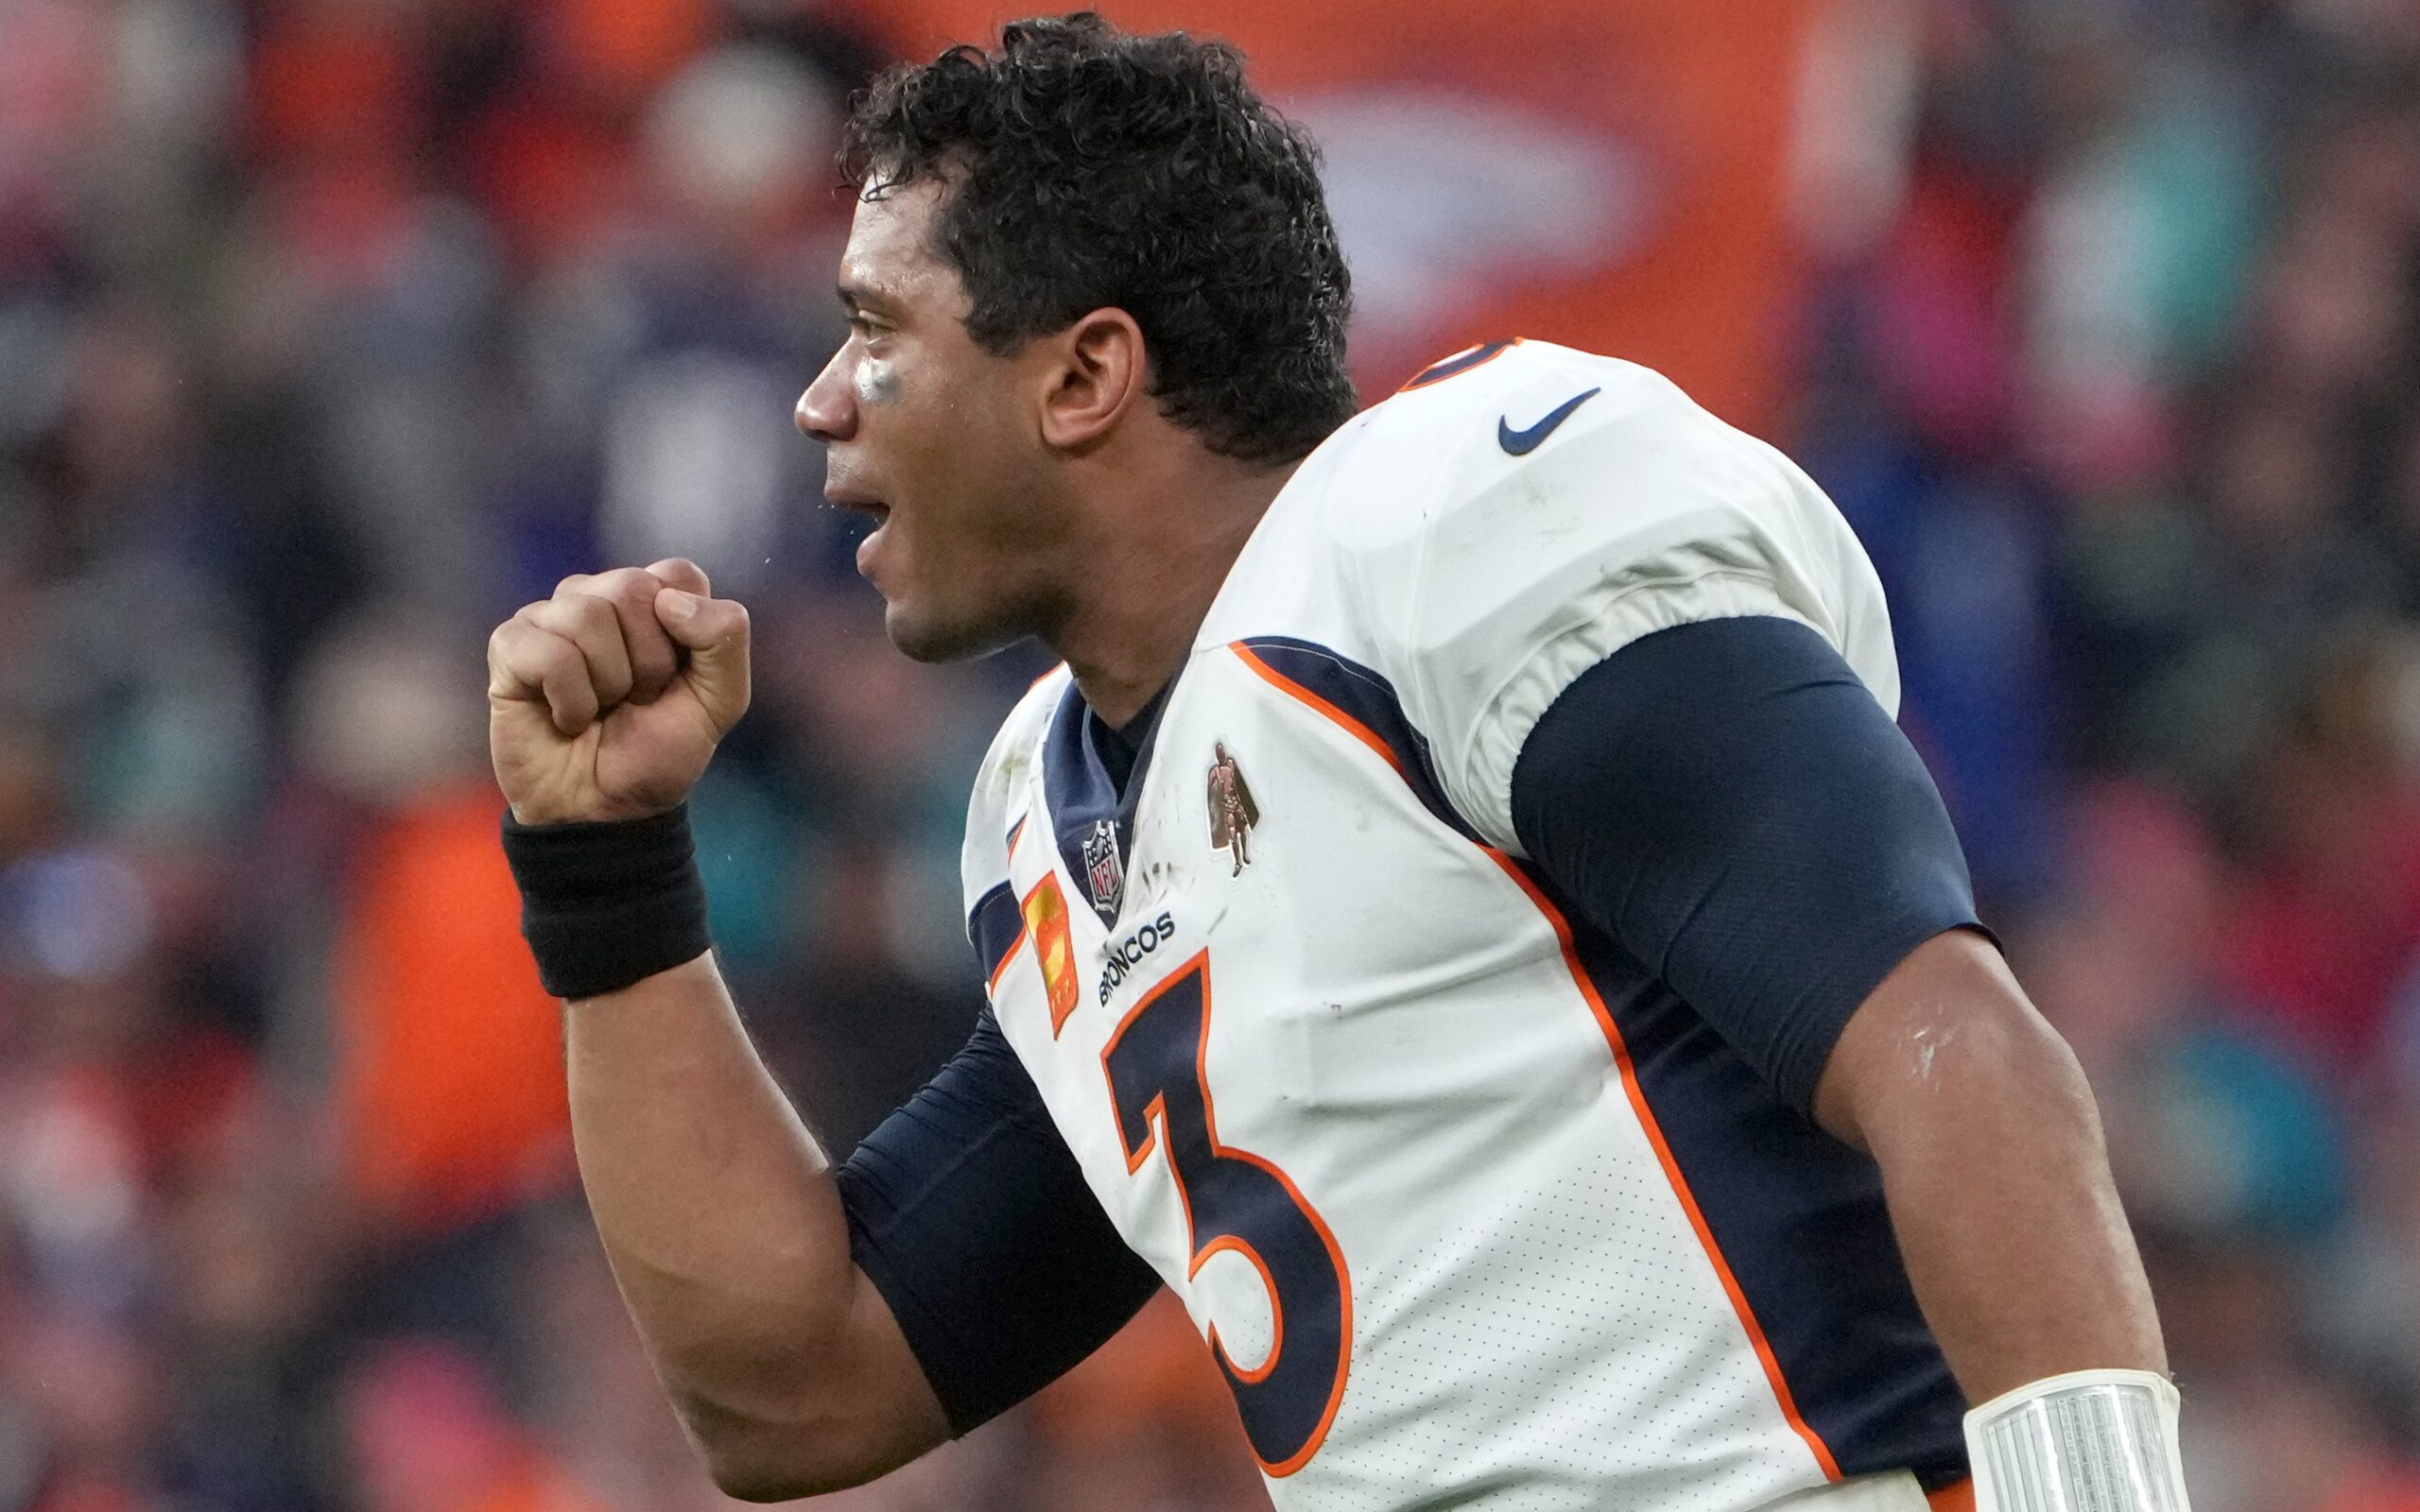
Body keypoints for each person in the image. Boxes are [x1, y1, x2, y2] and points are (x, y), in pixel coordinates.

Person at [484, 14, 2191, 1511]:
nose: (819, 404)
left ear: (1086, 374)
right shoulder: (1054, 820)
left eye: (877, 331)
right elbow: (800, 1391)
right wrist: (612, 871)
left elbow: (1957, 1048)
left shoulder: (1450, 526)